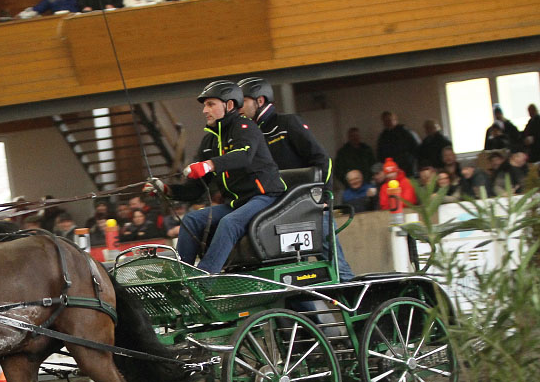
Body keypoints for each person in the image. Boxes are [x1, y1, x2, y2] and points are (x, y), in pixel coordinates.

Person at [146, 80, 284, 274]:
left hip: (265, 198)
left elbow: (243, 155)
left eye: (211, 104)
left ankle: (205, 276)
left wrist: (209, 165)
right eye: (205, 105)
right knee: (191, 219)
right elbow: (195, 189)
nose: (204, 110)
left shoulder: (245, 127)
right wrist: (167, 190)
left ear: (229, 105)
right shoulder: (210, 140)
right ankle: (180, 274)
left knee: (230, 223)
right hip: (236, 204)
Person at [238, 76, 355, 281]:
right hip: (277, 213)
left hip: (310, 206)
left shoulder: (287, 123)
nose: (239, 107)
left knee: (336, 267)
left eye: (244, 101)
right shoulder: (250, 134)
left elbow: (322, 159)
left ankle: (358, 304)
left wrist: (323, 197)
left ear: (260, 101)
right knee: (289, 276)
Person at [376, 111, 420, 177]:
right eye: (385, 121)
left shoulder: (406, 132)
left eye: (389, 120)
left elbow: (417, 148)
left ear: (395, 120)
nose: (387, 122)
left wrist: (411, 161)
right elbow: (380, 153)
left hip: (407, 167)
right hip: (391, 169)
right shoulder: (383, 136)